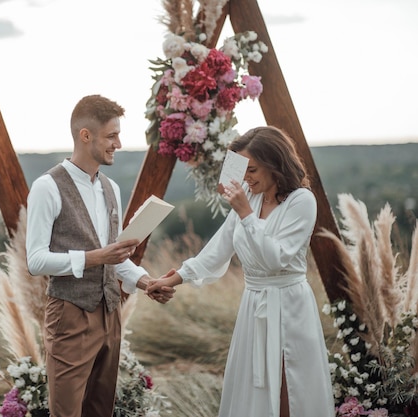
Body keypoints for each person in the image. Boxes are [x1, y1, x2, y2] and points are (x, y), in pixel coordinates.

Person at [148, 126, 334, 417]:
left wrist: (246, 214)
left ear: (276, 164)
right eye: (243, 170)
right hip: (254, 305)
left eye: (253, 170)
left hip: (289, 306)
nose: (247, 178)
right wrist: (173, 278)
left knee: (291, 389)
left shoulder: (302, 201)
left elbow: (276, 258)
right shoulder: (250, 196)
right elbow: (217, 250)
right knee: (254, 390)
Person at [26, 94, 174, 417]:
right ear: (85, 136)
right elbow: (35, 261)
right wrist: (95, 257)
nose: (118, 143)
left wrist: (147, 282)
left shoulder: (111, 189)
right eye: (111, 135)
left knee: (100, 411)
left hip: (111, 315)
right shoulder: (46, 187)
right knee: (66, 413)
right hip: (69, 317)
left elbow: (116, 258)